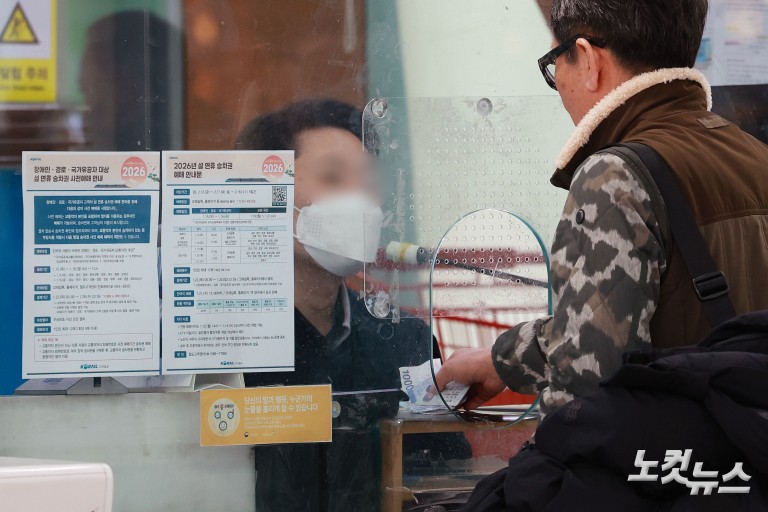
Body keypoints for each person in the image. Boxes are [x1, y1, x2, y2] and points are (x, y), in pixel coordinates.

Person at [435, 0, 768, 416]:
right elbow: (644, 309)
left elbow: (589, 386)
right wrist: (502, 362)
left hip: (661, 468)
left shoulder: (613, 175)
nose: (557, 80)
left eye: (555, 60)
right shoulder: (755, 157)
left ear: (589, 60)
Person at [237, 99, 470, 512]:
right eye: (331, 177)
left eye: (365, 183)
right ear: (265, 195)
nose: (358, 201)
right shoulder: (228, 351)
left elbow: (444, 480)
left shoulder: (404, 339)